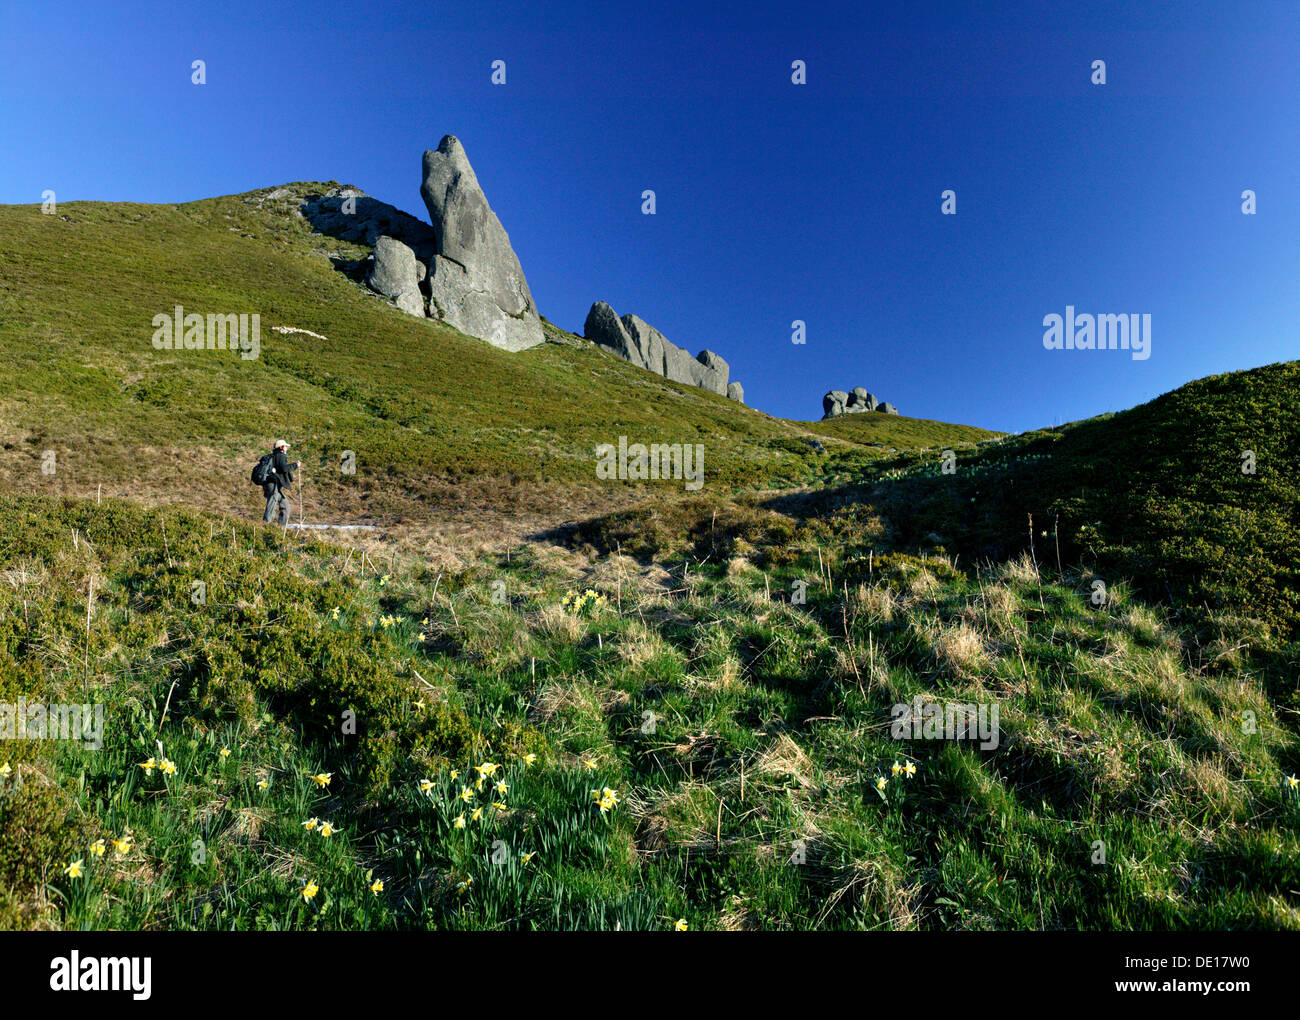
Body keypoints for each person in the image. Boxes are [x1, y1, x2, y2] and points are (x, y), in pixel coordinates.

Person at [262, 439, 300, 526]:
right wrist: (296, 465)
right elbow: (284, 468)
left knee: (285, 506)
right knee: (272, 502)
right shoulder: (280, 455)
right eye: (286, 446)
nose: (287, 448)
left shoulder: (275, 456)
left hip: (272, 484)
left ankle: (281, 529)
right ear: (282, 447)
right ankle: (266, 525)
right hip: (273, 483)